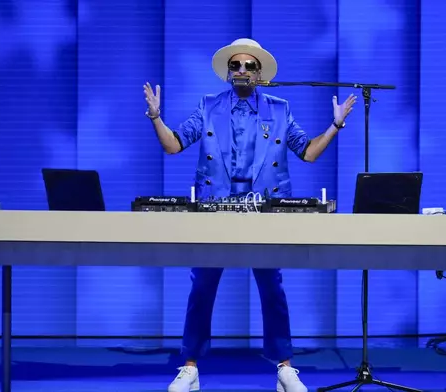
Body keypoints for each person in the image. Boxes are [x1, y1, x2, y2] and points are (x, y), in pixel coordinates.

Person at [143, 38, 356, 392]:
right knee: (203, 286)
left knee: (272, 287)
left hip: (266, 209)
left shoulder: (280, 109)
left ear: (260, 75)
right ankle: (190, 368)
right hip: (216, 208)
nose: (242, 70)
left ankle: (285, 368)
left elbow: (308, 153)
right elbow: (173, 144)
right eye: (236, 66)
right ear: (228, 73)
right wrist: (155, 116)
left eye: (249, 66)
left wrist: (335, 125)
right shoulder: (208, 106)